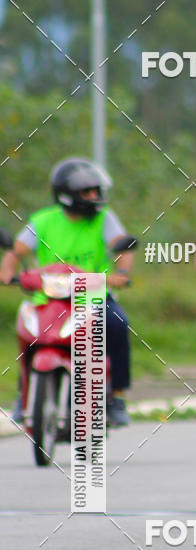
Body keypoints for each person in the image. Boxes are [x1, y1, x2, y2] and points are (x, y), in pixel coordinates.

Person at [0, 158, 133, 427]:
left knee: (117, 324)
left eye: (96, 191)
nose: (95, 197)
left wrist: (122, 275)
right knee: (30, 335)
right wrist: (6, 272)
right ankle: (23, 396)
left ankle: (116, 397)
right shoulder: (42, 221)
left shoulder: (104, 219)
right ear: (67, 194)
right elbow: (15, 252)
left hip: (93, 294)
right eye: (88, 192)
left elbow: (122, 247)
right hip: (49, 297)